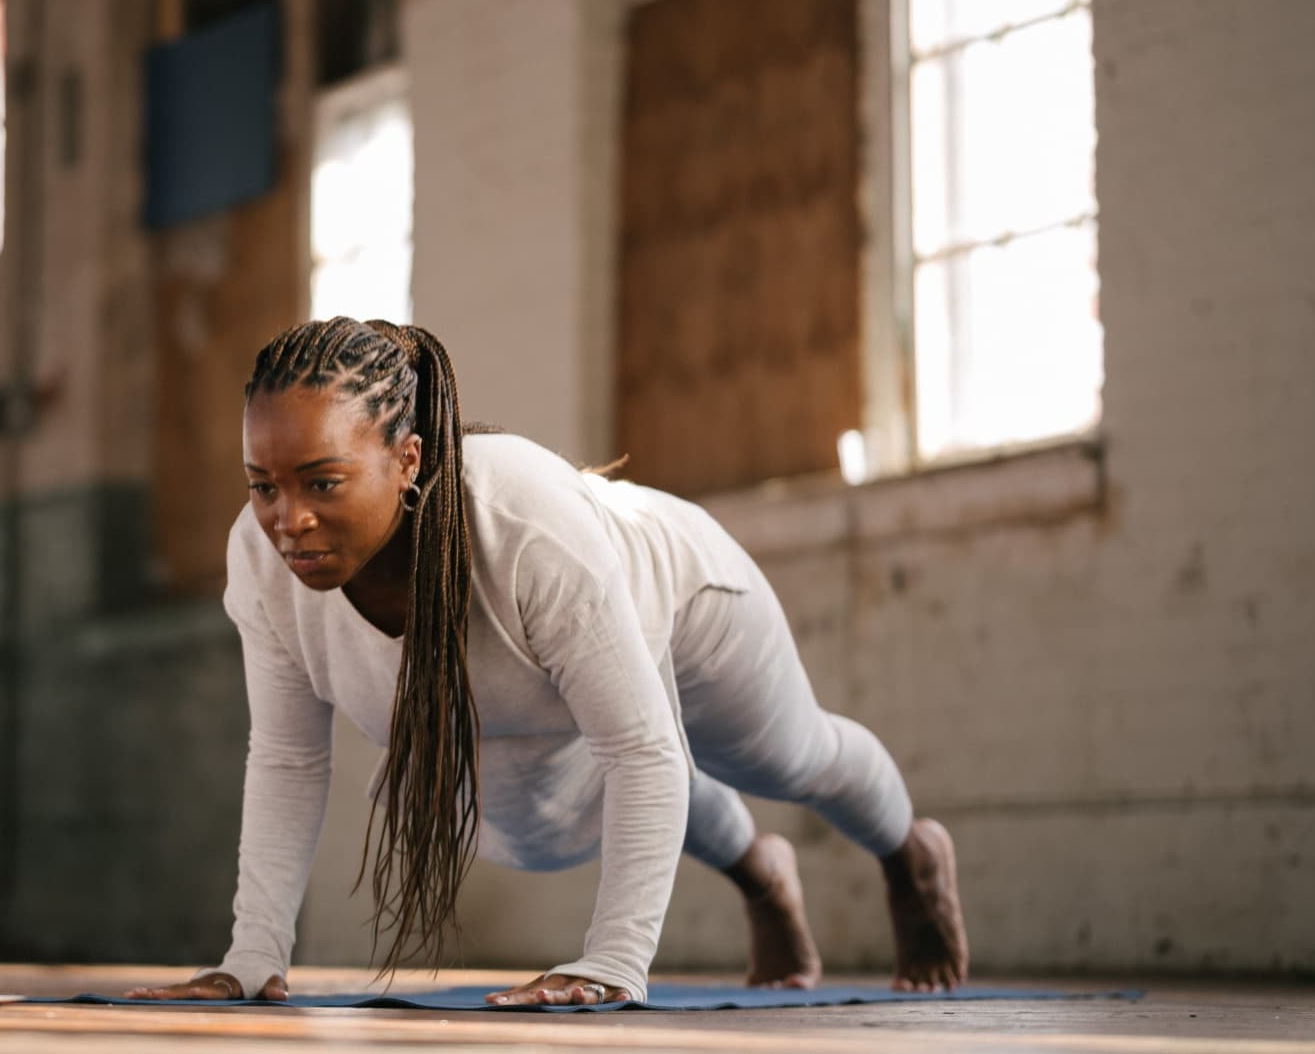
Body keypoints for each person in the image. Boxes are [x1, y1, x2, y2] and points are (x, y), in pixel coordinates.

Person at [128, 318, 967, 1006]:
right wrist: (254, 954)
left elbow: (642, 751)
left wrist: (614, 962)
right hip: (551, 679)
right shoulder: (262, 562)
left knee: (788, 757)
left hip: (683, 594)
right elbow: (287, 757)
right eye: (263, 485)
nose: (288, 520)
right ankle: (759, 873)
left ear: (408, 459)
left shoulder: (525, 527)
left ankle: (910, 854)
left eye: (322, 482)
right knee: (540, 831)